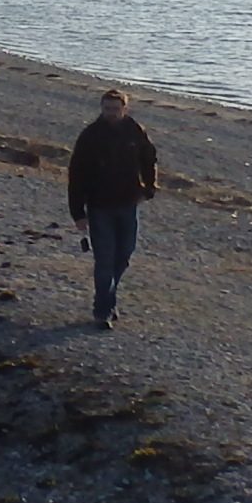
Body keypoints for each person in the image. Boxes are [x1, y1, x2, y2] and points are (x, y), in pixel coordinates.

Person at [66, 87, 157, 328]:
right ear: (101, 108)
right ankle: (102, 311)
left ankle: (109, 299)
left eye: (115, 109)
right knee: (104, 259)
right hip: (99, 207)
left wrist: (149, 189)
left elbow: (149, 160)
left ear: (125, 109)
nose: (111, 113)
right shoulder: (90, 135)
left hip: (128, 205)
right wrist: (78, 213)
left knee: (124, 256)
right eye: (107, 108)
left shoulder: (136, 131)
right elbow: (76, 175)